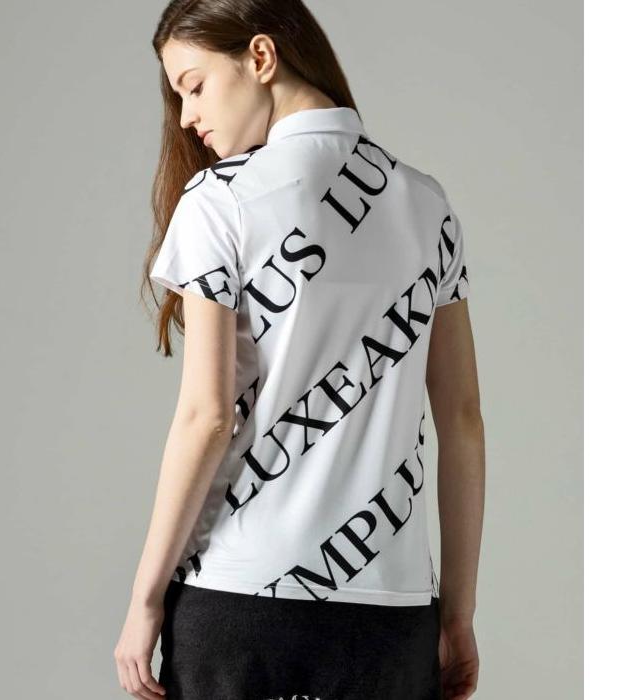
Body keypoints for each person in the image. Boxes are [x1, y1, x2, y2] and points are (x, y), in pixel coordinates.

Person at [114, 1, 485, 698]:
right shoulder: (427, 203)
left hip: (240, 600)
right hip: (394, 609)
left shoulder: (220, 199)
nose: (187, 117)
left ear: (260, 57)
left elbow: (206, 417)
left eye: (194, 85)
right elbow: (462, 420)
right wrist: (457, 613)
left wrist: (144, 599)